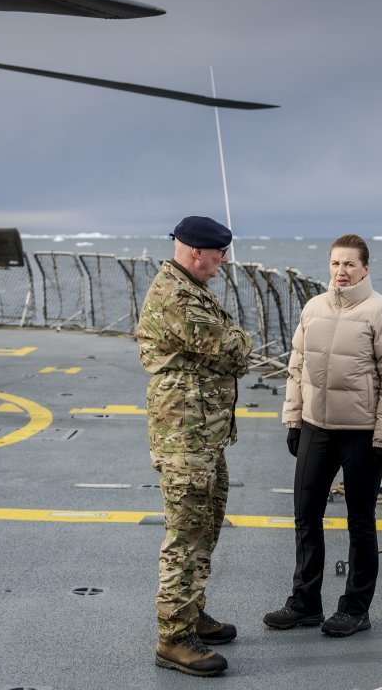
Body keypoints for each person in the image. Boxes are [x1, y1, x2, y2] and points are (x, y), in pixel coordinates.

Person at [264, 233, 382, 637]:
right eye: (335, 263)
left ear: (365, 268)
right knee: (306, 515)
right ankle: (305, 603)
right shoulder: (313, 307)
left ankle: (355, 609)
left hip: (361, 434)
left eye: (349, 264)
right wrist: (293, 419)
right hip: (316, 427)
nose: (341, 271)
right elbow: (297, 367)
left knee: (360, 522)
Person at [137, 215, 253, 677]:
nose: (223, 261)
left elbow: (227, 347)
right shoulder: (177, 296)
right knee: (186, 534)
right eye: (219, 253)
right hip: (185, 436)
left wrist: (233, 344)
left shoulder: (192, 288)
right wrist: (238, 342)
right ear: (196, 251)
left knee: (205, 525)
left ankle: (191, 612)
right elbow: (233, 348)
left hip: (203, 434)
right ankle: (173, 638)